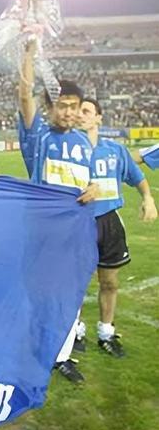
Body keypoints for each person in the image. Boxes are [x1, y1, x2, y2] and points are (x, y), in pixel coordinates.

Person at [18, 40, 99, 384]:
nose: (67, 112)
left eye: (73, 107)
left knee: (71, 296)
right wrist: (29, 53)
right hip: (41, 233)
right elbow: (25, 95)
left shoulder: (83, 143)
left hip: (74, 236)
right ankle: (32, 350)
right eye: (62, 106)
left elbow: (88, 184)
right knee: (37, 294)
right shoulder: (38, 136)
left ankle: (62, 357)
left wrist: (94, 189)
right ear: (49, 108)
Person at [73, 97, 157, 357]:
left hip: (109, 222)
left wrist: (148, 198)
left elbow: (137, 177)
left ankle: (106, 333)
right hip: (78, 222)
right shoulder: (68, 150)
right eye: (78, 111)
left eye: (87, 111)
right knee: (75, 282)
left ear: (99, 117)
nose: (81, 115)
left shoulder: (115, 150)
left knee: (109, 281)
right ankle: (75, 332)